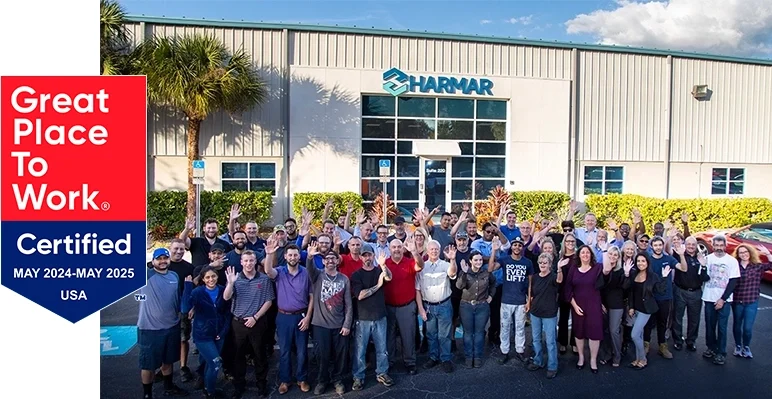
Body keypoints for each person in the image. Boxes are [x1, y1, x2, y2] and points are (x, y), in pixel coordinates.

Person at [223, 251, 275, 398]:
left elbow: (268, 301)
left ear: (255, 262)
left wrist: (255, 317)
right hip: (238, 323)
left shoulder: (264, 279)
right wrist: (231, 283)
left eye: (251, 260)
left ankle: (261, 384)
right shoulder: (235, 278)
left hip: (257, 322)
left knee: (259, 355)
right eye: (245, 261)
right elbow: (226, 297)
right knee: (238, 356)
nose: (248, 264)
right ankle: (239, 385)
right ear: (241, 262)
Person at [138, 248, 188, 399]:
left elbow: (177, 299)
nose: (162, 261)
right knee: (148, 364)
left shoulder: (174, 276)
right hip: (149, 329)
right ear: (152, 261)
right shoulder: (146, 275)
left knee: (168, 360)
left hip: (172, 326)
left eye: (165, 258)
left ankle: (168, 386)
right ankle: (147, 394)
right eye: (158, 259)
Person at [264, 243, 314, 395]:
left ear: (299, 256)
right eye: (290, 255)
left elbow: (311, 296)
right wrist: (269, 254)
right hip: (283, 316)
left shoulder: (306, 273)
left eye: (295, 255)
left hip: (301, 315)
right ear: (285, 256)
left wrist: (308, 318)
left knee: (302, 351)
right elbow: (268, 271)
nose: (293, 257)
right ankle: (285, 380)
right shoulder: (279, 271)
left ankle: (302, 378)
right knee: (284, 351)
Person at [305, 244, 354, 395]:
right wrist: (310, 256)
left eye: (334, 258)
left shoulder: (344, 279)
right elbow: (309, 268)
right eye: (328, 258)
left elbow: (348, 304)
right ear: (324, 261)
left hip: (339, 325)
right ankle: (322, 381)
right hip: (320, 324)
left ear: (338, 261)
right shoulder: (317, 276)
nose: (331, 260)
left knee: (340, 356)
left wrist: (347, 324)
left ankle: (338, 380)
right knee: (322, 355)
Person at [181, 267, 231, 399]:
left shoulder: (222, 290)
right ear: (203, 279)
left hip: (219, 333)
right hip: (203, 335)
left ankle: (209, 388)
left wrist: (224, 331)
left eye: (213, 276)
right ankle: (210, 393)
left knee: (210, 363)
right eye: (207, 277)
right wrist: (187, 287)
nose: (211, 280)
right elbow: (185, 308)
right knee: (215, 363)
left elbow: (227, 313)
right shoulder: (198, 292)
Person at [350, 245, 395, 390]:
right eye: (364, 255)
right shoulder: (356, 275)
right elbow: (361, 295)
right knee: (360, 350)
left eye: (369, 255)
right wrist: (378, 285)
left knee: (382, 348)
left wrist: (383, 265)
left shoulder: (378, 271)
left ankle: (382, 372)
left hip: (380, 316)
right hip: (362, 318)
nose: (367, 258)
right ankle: (358, 376)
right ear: (361, 257)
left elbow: (389, 277)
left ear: (373, 256)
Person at [564, 245, 611, 373]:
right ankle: (581, 357)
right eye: (582, 252)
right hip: (578, 306)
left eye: (587, 253)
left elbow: (607, 269)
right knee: (579, 333)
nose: (585, 255)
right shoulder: (573, 269)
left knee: (594, 333)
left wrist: (605, 250)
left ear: (591, 255)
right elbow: (568, 289)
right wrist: (574, 305)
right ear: (578, 255)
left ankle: (593, 360)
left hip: (594, 305)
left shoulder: (597, 268)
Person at [415, 240, 458, 373]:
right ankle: (433, 357)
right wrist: (421, 309)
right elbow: (417, 290)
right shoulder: (421, 267)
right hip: (428, 306)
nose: (434, 251)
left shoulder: (445, 265)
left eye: (436, 249)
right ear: (427, 251)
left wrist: (453, 260)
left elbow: (452, 273)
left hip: (444, 305)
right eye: (431, 249)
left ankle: (445, 359)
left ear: (439, 251)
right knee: (431, 334)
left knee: (444, 335)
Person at [490, 236, 533, 364]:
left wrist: (529, 300)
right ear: (511, 246)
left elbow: (530, 283)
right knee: (505, 327)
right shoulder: (504, 260)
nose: (517, 247)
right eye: (515, 245)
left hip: (520, 300)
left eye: (519, 245)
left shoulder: (527, 262)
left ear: (522, 247)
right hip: (506, 300)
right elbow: (490, 268)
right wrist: (494, 251)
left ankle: (520, 350)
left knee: (520, 327)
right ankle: (504, 351)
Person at [624, 253, 669, 370]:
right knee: (639, 334)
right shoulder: (634, 273)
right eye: (638, 261)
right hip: (636, 309)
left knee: (634, 335)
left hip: (646, 309)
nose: (640, 263)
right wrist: (631, 307)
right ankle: (638, 359)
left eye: (643, 261)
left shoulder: (653, 276)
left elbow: (661, 291)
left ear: (647, 262)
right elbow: (629, 291)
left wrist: (664, 277)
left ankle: (643, 359)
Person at [701, 235, 741, 366]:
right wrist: (703, 266)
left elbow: (733, 281)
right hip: (708, 297)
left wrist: (722, 299)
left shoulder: (731, 261)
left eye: (721, 245)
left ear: (725, 246)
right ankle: (711, 348)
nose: (719, 248)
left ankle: (721, 353)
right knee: (710, 325)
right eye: (716, 245)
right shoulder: (707, 259)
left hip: (724, 300)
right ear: (713, 246)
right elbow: (703, 278)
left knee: (722, 327)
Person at [730, 244, 772, 359]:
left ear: (750, 253)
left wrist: (768, 254)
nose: (744, 254)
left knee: (747, 328)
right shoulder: (735, 266)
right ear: (738, 255)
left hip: (751, 301)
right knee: (737, 325)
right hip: (737, 301)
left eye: (746, 252)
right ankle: (738, 346)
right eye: (741, 252)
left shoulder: (757, 266)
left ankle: (746, 347)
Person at [456, 250, 497, 368]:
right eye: (476, 260)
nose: (478, 262)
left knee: (479, 332)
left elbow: (494, 284)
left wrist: (491, 296)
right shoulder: (465, 272)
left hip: (482, 306)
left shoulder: (486, 273)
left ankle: (477, 356)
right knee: (468, 333)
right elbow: (459, 286)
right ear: (470, 261)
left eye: (480, 260)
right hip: (466, 306)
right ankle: (469, 356)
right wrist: (464, 273)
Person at [526, 253, 563, 379]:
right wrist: (528, 304)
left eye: (545, 262)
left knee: (550, 342)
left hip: (549, 313)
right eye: (540, 262)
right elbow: (531, 292)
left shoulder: (553, 277)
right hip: (535, 312)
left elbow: (559, 280)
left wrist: (559, 269)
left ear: (550, 264)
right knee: (536, 339)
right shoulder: (535, 277)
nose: (542, 265)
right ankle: (538, 361)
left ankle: (552, 366)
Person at [671, 236, 709, 352]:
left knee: (694, 319)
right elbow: (669, 247)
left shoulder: (701, 258)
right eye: (689, 244)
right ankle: (678, 341)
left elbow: (705, 278)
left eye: (693, 244)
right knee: (677, 318)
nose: (691, 247)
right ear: (685, 245)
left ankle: (691, 341)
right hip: (680, 291)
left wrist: (703, 266)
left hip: (696, 292)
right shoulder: (678, 255)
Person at [599, 245, 626, 367]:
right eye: (610, 254)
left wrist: (626, 275)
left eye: (615, 255)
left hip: (616, 304)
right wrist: (600, 303)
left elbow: (624, 288)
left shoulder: (621, 271)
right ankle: (606, 354)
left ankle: (617, 355)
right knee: (605, 331)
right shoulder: (601, 269)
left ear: (619, 257)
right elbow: (598, 288)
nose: (612, 257)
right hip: (603, 304)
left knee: (614, 330)